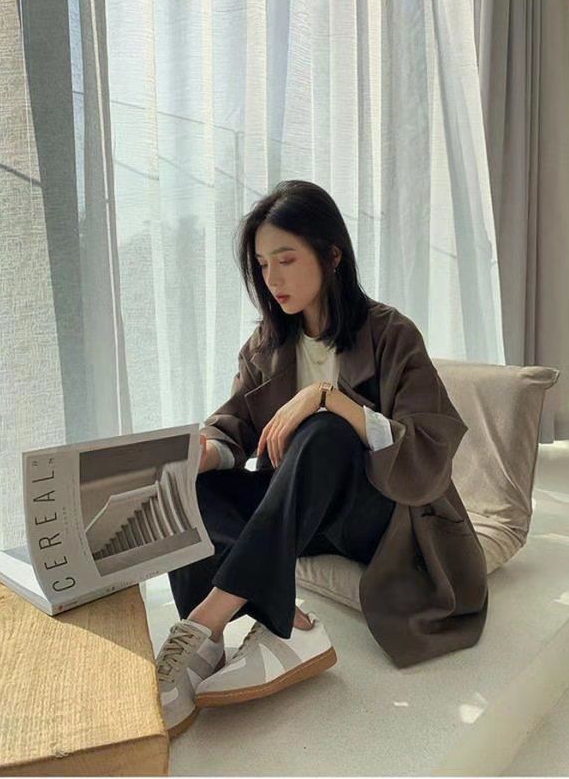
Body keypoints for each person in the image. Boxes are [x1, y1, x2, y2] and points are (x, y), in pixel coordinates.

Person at [156, 179, 397, 739]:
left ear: (332, 255)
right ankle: (272, 627)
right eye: (263, 265)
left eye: (286, 260)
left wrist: (326, 398)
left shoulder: (389, 332)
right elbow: (234, 431)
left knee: (325, 431)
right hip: (296, 514)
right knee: (193, 482)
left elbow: (426, 443)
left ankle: (204, 621)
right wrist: (202, 454)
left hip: (370, 513)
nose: (273, 279)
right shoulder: (265, 345)